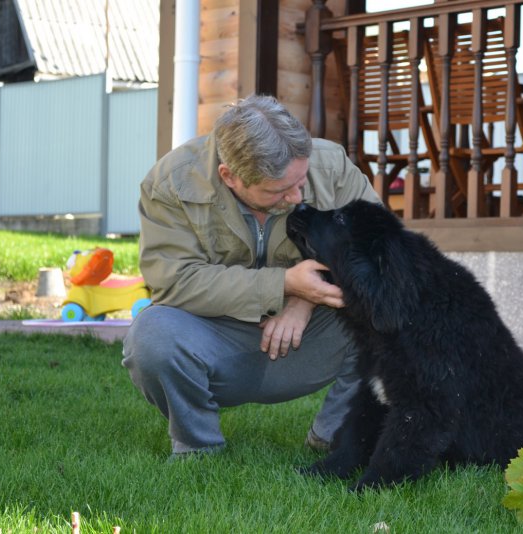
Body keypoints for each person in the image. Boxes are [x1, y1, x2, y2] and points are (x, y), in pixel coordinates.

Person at [122, 94, 381, 458]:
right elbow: (175, 280)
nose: (295, 197)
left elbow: (378, 251)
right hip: (216, 339)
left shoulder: (332, 167)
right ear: (230, 176)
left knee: (394, 311)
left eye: (301, 181)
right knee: (151, 337)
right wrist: (283, 284)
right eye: (278, 191)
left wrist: (303, 299)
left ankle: (337, 434)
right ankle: (199, 448)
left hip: (313, 338)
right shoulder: (171, 183)